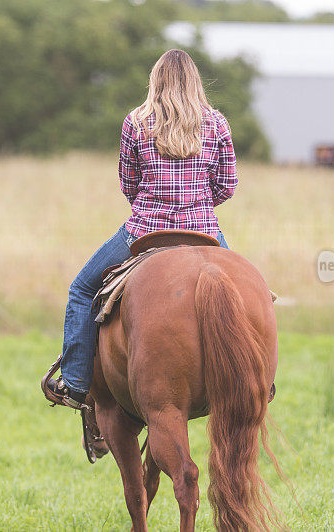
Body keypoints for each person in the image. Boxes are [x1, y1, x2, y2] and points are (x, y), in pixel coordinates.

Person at [42, 49, 238, 409]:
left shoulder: (136, 121)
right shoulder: (217, 123)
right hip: (205, 234)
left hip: (144, 231)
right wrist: (198, 206)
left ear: (155, 81)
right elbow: (227, 185)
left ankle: (74, 381)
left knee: (82, 290)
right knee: (245, 296)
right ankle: (257, 380)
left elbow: (128, 184)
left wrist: (155, 205)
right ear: (195, 81)